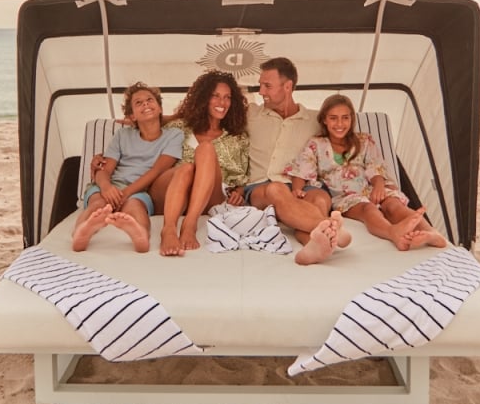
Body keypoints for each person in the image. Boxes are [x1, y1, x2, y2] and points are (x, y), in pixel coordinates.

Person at [284, 94, 447, 252]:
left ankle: (432, 233)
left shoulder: (364, 140)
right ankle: (393, 232)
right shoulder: (316, 144)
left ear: (351, 119)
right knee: (368, 209)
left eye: (345, 117)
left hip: (372, 187)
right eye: (333, 118)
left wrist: (379, 186)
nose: (339, 123)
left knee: (393, 205)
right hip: (346, 196)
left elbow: (375, 166)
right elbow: (302, 171)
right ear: (324, 120)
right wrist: (296, 191)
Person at [242, 57, 349, 265]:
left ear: (288, 86)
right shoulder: (251, 114)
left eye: (267, 86)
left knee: (319, 198)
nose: (261, 91)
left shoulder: (315, 120)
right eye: (261, 85)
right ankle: (331, 227)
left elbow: (345, 145)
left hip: (303, 185)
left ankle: (314, 245)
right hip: (262, 187)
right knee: (276, 190)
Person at [72, 82, 183, 253]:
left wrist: (126, 193)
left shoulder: (174, 135)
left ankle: (140, 236)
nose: (145, 104)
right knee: (98, 203)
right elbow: (105, 170)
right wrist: (106, 187)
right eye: (138, 103)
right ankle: (81, 233)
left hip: (138, 190)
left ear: (160, 109)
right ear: (132, 117)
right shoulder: (122, 135)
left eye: (150, 100)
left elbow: (157, 171)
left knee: (136, 207)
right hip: (111, 185)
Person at [153, 70, 250, 257]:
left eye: (227, 97)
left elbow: (240, 182)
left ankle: (190, 223)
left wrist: (238, 193)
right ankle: (169, 228)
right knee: (186, 168)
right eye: (215, 96)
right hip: (171, 190)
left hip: (208, 198)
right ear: (203, 98)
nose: (222, 103)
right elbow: (146, 131)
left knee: (205, 149)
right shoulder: (178, 127)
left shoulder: (237, 138)